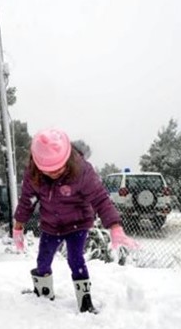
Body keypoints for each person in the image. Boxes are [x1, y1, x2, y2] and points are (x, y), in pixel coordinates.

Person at [12, 129, 139, 313]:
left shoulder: (82, 170)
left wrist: (115, 226)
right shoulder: (34, 173)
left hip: (77, 224)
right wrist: (18, 225)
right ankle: (43, 293)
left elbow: (100, 199)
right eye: (48, 170)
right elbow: (27, 200)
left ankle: (85, 301)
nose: (54, 173)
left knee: (75, 259)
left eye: (58, 168)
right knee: (43, 260)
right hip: (50, 225)